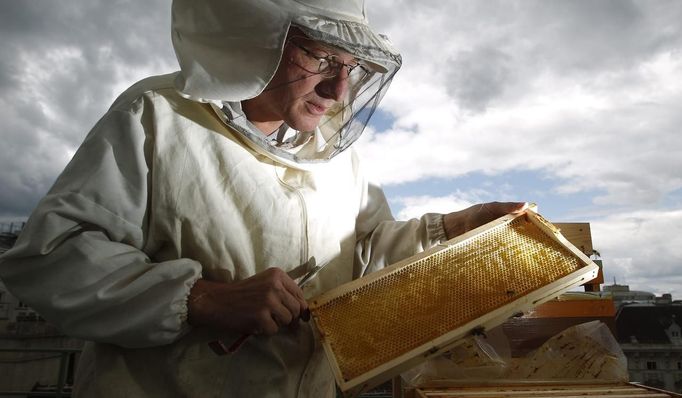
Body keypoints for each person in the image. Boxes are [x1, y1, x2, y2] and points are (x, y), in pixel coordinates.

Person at [0, 0, 526, 397]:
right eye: (321, 57)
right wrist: (199, 298)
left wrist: (449, 229)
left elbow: (364, 256)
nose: (339, 91)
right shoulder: (158, 115)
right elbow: (54, 254)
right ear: (255, 40)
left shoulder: (337, 158)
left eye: (353, 68)